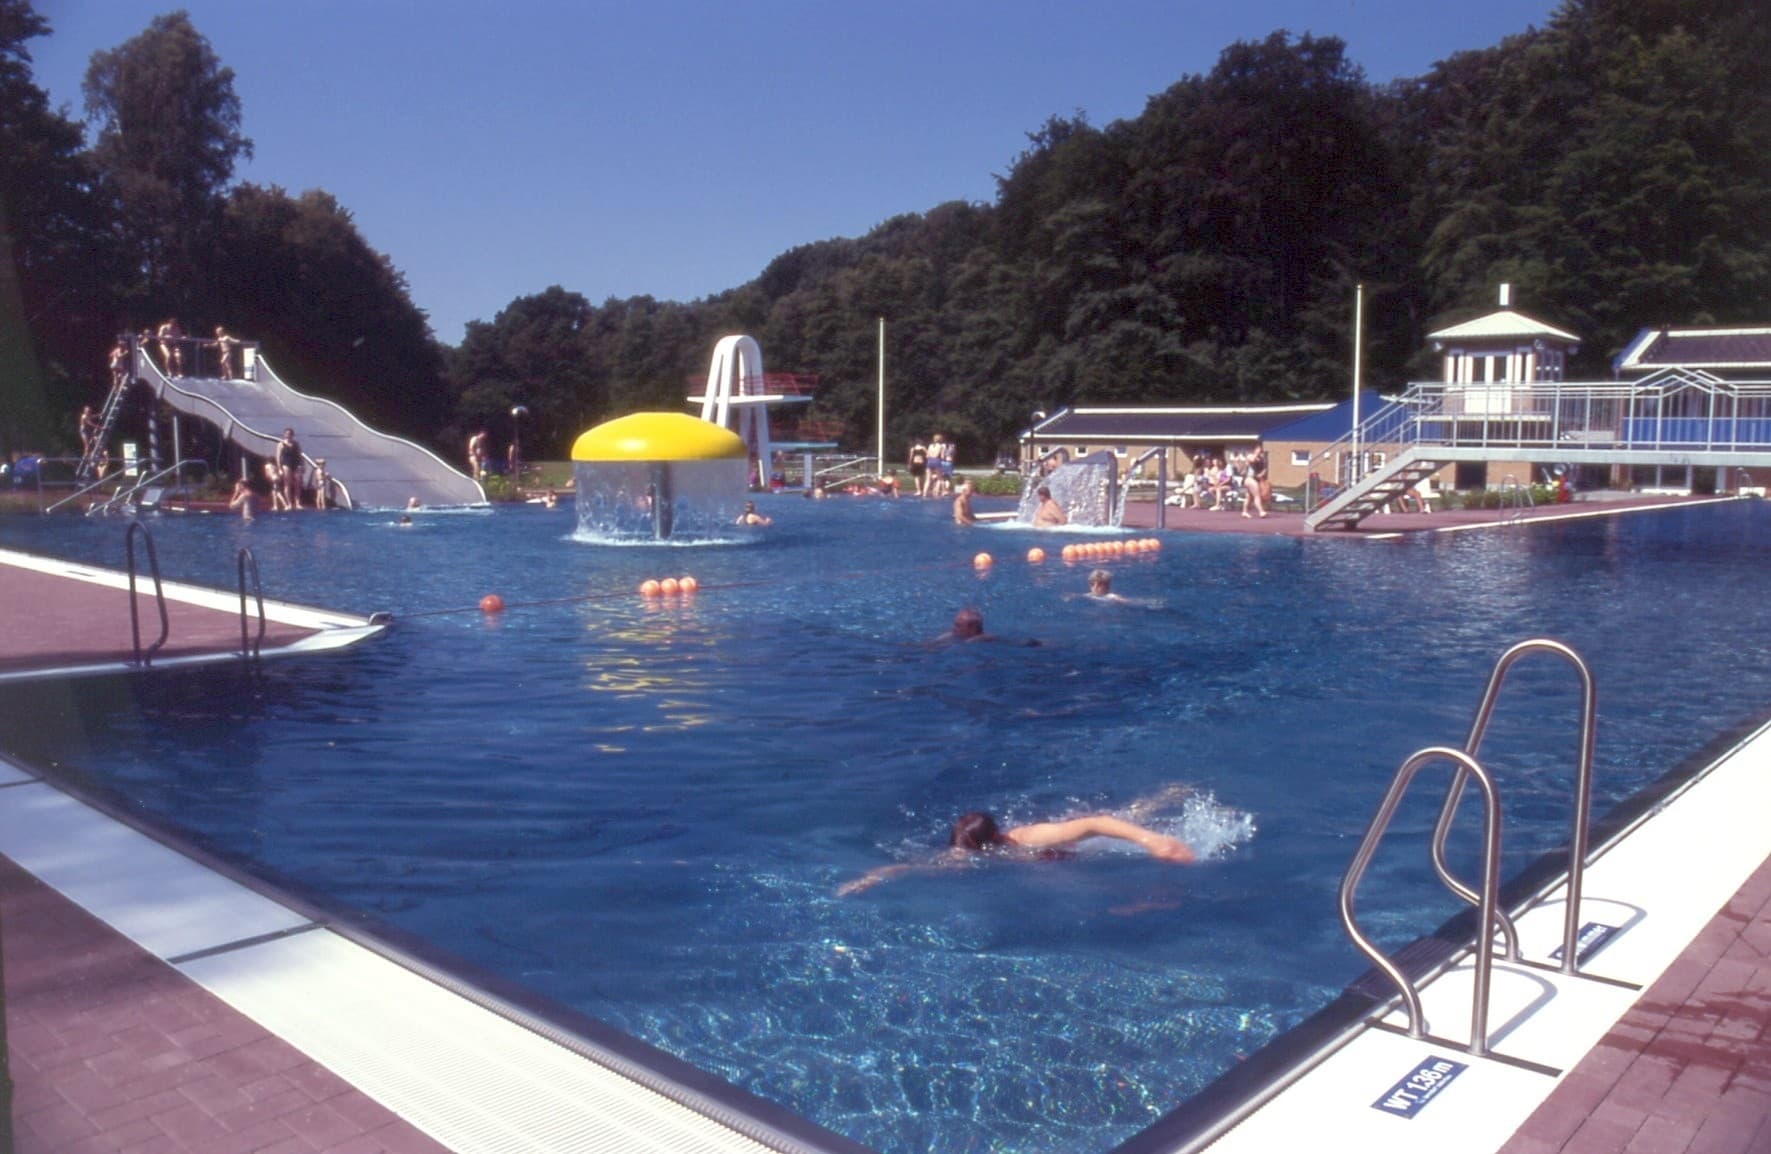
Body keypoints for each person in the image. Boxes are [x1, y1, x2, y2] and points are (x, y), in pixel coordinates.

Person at [837, 810, 1195, 895]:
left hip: (1072, 847)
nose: (962, 861)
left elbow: (1096, 822)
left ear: (993, 843)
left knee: (1131, 815)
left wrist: (1151, 841)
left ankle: (1162, 801)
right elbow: (914, 865)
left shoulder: (1033, 839)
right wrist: (871, 877)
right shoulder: (969, 852)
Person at [276, 428, 304, 509]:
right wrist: (279, 468)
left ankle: (297, 503)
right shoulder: (281, 444)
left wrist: (302, 465)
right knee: (287, 483)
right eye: (287, 434)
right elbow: (278, 457)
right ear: (284, 434)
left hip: (295, 463)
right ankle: (289, 503)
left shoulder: (296, 444)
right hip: (286, 463)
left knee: (298, 483)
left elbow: (300, 454)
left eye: (290, 434)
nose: (288, 435)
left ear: (292, 435)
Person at [1242, 446, 1269, 518]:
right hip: (1249, 479)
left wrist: (1261, 474)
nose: (1260, 451)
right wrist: (1256, 454)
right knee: (1257, 495)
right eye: (1258, 450)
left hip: (1256, 479)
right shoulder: (1250, 456)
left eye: (1261, 450)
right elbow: (1252, 460)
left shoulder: (1261, 459)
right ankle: (1261, 511)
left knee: (1249, 497)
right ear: (1255, 450)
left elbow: (1264, 469)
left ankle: (1244, 512)